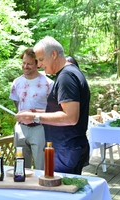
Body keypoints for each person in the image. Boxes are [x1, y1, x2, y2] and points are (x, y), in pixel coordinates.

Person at [15, 36, 90, 175]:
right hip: (67, 147)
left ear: (54, 54)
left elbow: (71, 117)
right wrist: (39, 112)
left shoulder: (66, 77)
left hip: (65, 149)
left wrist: (35, 117)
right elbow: (63, 109)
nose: (39, 65)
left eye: (41, 60)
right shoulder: (70, 73)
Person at [9, 48, 54, 170]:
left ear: (37, 64)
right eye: (23, 63)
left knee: (42, 166)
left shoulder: (48, 84)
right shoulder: (16, 82)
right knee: (21, 167)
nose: (25, 66)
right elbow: (16, 103)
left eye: (29, 63)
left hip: (40, 128)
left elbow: (53, 110)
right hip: (20, 129)